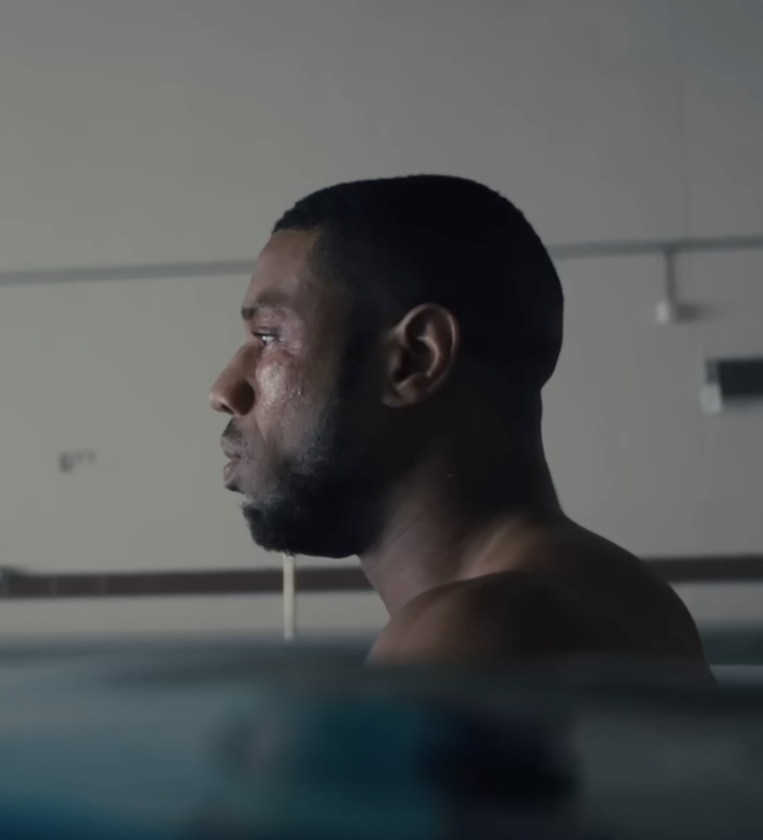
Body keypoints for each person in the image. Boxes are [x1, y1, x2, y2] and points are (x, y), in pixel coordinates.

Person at [210, 175, 707, 672]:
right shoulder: (624, 592)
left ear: (414, 359)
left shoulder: (473, 630)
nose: (223, 391)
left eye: (268, 337)